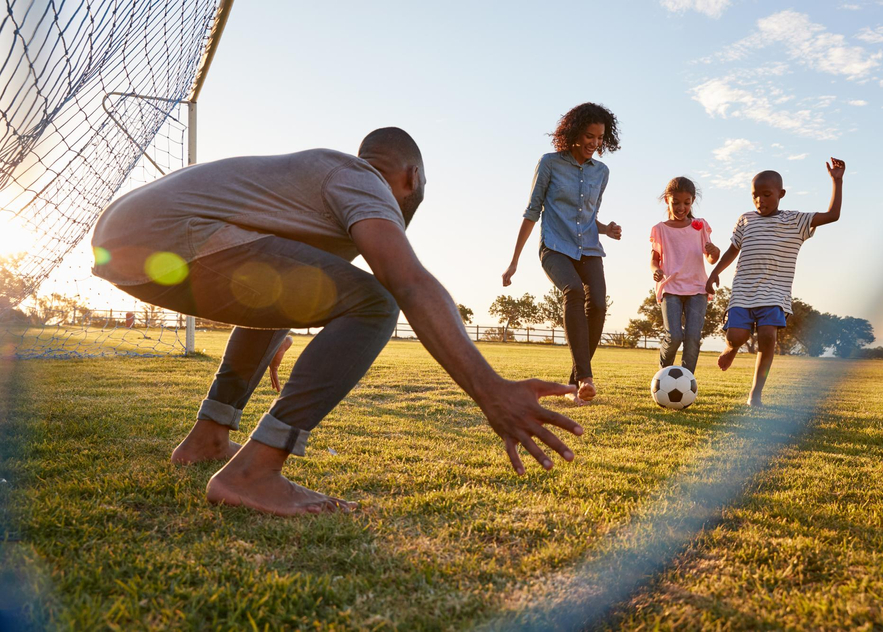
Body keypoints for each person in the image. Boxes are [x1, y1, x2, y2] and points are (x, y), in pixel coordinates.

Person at [92, 128, 584, 516]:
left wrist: (277, 322)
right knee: (376, 303)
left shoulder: (320, 189)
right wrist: (490, 390)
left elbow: (274, 280)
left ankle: (208, 438)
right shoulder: (359, 177)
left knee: (307, 296)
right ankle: (252, 475)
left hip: (127, 240)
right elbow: (407, 281)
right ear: (411, 177)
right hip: (169, 234)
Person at [502, 102, 622, 405]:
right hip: (555, 247)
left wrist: (606, 228)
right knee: (573, 292)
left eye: (600, 138)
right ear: (573, 133)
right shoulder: (549, 163)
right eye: (589, 136)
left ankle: (575, 383)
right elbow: (532, 211)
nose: (594, 144)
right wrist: (514, 261)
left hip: (590, 249)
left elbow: (586, 216)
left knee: (597, 303)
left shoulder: (601, 172)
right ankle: (586, 377)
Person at [706, 158, 846, 406]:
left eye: (766, 194)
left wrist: (837, 181)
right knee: (736, 336)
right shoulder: (745, 219)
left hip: (775, 293)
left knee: (768, 336)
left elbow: (833, 215)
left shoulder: (795, 221)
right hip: (743, 292)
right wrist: (715, 272)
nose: (760, 200)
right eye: (755, 195)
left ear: (781, 194)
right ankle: (731, 348)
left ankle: (755, 394)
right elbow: (732, 249)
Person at [649, 177, 720, 374]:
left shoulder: (700, 226)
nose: (681, 207)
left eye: (686, 203)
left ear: (692, 201)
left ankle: (687, 380)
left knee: (692, 337)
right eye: (676, 202)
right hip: (670, 288)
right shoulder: (660, 229)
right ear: (667, 201)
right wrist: (656, 271)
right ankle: (664, 376)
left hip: (698, 288)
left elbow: (711, 259)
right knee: (674, 337)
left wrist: (715, 252)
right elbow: (654, 260)